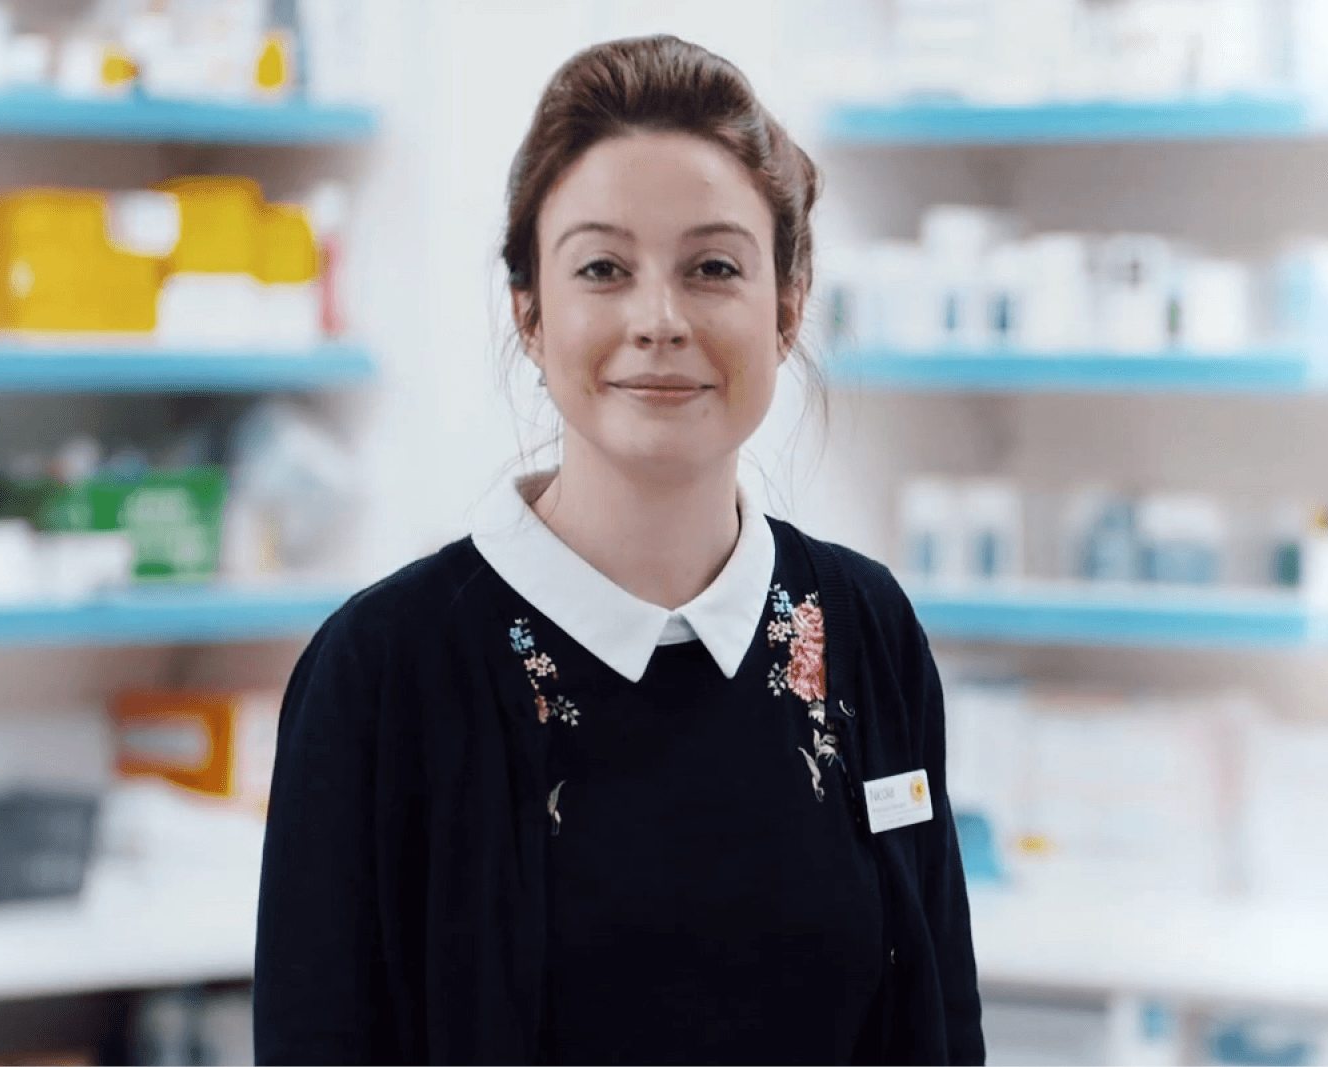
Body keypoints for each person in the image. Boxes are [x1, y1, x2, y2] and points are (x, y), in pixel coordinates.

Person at [253, 34, 984, 1066]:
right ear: (530, 310)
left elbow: (939, 1028)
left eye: (713, 267)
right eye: (602, 267)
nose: (659, 319)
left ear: (786, 305)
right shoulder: (383, 670)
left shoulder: (862, 629)